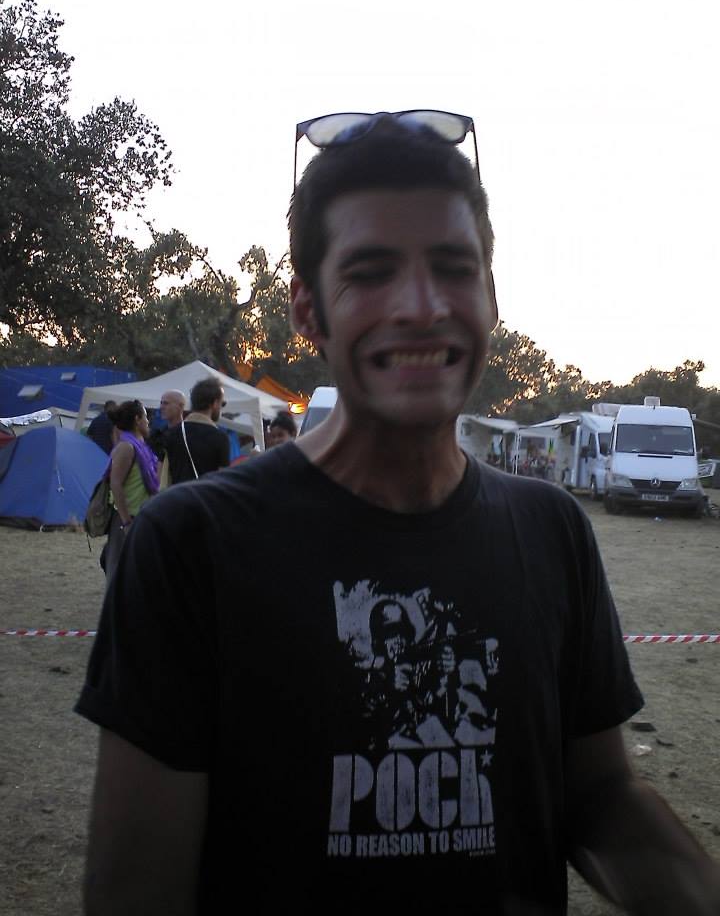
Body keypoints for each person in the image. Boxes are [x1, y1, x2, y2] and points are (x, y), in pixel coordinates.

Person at [76, 112, 720, 914]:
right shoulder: (190, 545)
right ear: (307, 309)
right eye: (371, 272)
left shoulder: (551, 531)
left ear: (491, 295)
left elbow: (599, 794)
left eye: (454, 267)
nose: (421, 306)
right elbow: (137, 892)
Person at [101, 400, 159, 579]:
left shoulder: (141, 445)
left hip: (140, 515)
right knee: (119, 570)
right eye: (145, 417)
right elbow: (115, 483)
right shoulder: (126, 447)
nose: (148, 421)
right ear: (137, 419)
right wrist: (126, 521)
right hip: (127, 517)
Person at [161, 377, 230, 485]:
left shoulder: (171, 433)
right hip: (205, 495)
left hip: (177, 495)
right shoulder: (220, 438)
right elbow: (223, 482)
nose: (221, 408)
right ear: (215, 403)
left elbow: (164, 478)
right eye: (222, 403)